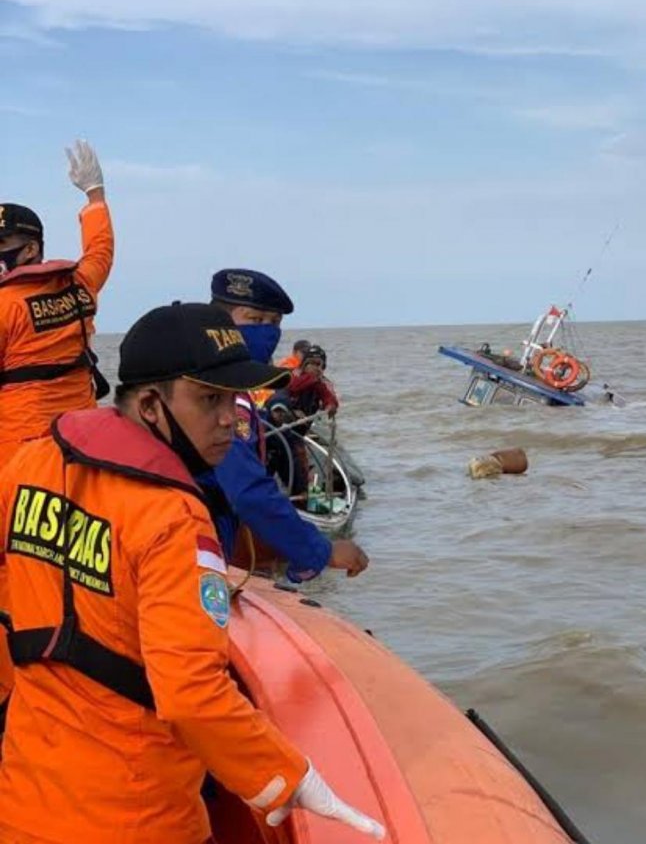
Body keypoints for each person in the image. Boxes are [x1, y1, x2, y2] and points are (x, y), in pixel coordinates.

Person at [0, 302, 384, 844]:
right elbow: (190, 693)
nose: (230, 417)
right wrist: (291, 777)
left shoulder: (32, 463)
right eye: (209, 399)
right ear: (152, 406)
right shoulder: (173, 519)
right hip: (137, 818)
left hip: (24, 801)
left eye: (232, 397)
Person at [0, 140, 114, 715]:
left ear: (31, 249)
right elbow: (100, 250)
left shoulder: (4, 309)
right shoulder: (79, 288)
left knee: (11, 570)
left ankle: (12, 693)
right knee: (75, 560)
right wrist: (94, 194)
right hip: (76, 454)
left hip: (15, 462)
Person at [206, 269, 367, 581]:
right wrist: (320, 551)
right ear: (220, 321)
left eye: (275, 323)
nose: (267, 331)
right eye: (255, 320)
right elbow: (248, 489)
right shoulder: (217, 399)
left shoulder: (220, 384)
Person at [266, 344, 339, 499]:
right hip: (278, 428)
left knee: (298, 467)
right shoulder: (292, 375)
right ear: (304, 364)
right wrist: (311, 379)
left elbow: (330, 398)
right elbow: (289, 388)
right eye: (311, 363)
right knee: (271, 457)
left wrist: (330, 405)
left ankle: (300, 497)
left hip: (298, 433)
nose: (315, 367)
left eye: (319, 364)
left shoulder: (323, 383)